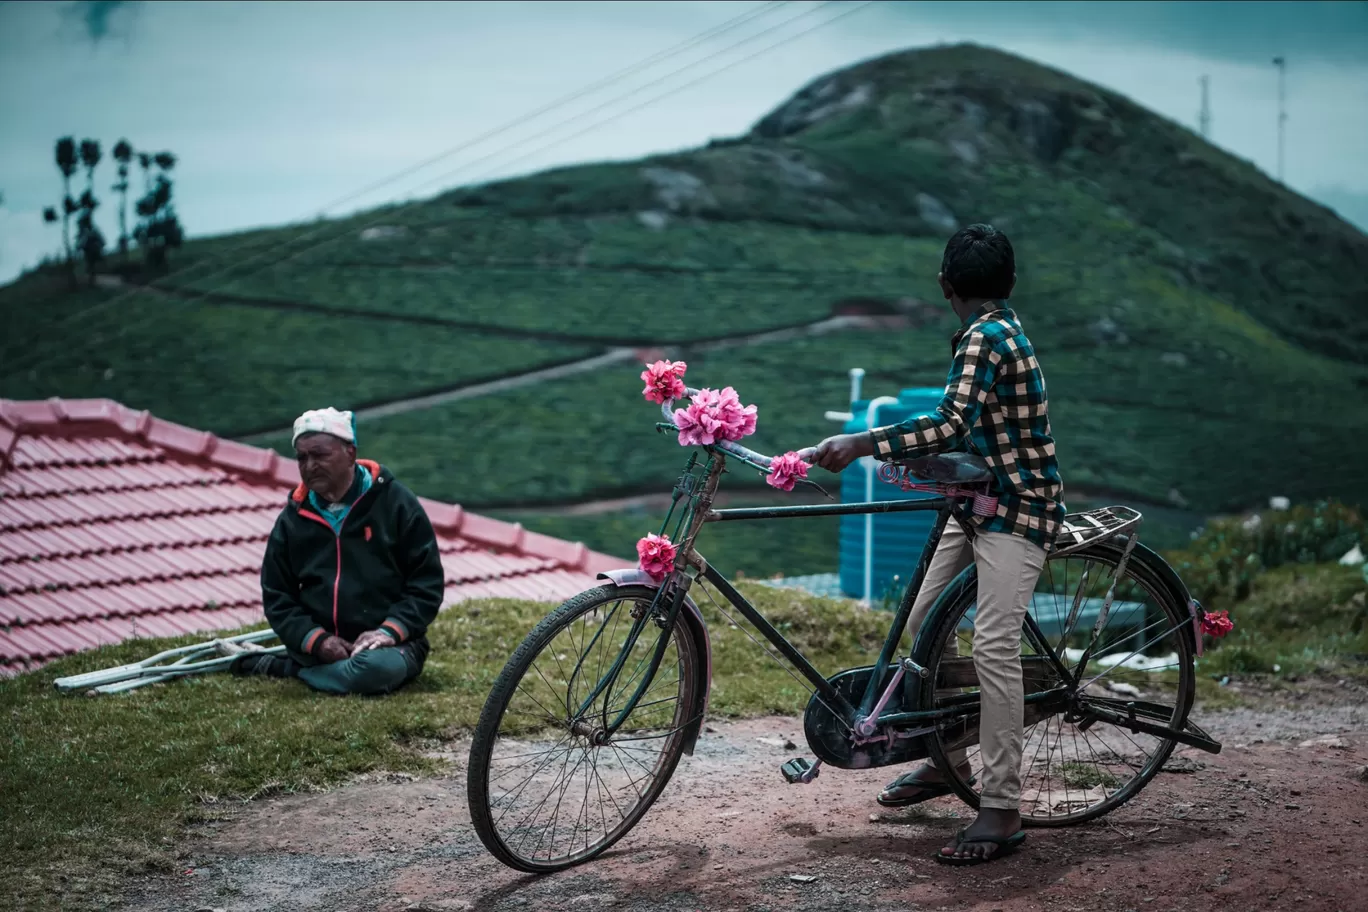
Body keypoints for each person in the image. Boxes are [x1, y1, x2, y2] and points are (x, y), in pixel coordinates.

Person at [810, 224, 1065, 866]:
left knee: (995, 644)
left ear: (945, 286)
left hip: (1018, 507)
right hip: (976, 499)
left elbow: (950, 421)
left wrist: (862, 443)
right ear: (1007, 283)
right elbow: (968, 426)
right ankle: (944, 759)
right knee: (922, 624)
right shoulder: (997, 328)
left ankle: (1002, 806)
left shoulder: (987, 337)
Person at [229, 407, 445, 696]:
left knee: (376, 669)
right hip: (317, 649)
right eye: (302, 457)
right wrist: (318, 641)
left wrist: (388, 631)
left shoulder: (396, 505)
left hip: (389, 646)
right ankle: (314, 668)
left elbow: (426, 585)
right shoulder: (293, 520)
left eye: (320, 455)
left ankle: (288, 669)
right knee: (367, 674)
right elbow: (278, 596)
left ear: (350, 453)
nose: (310, 465)